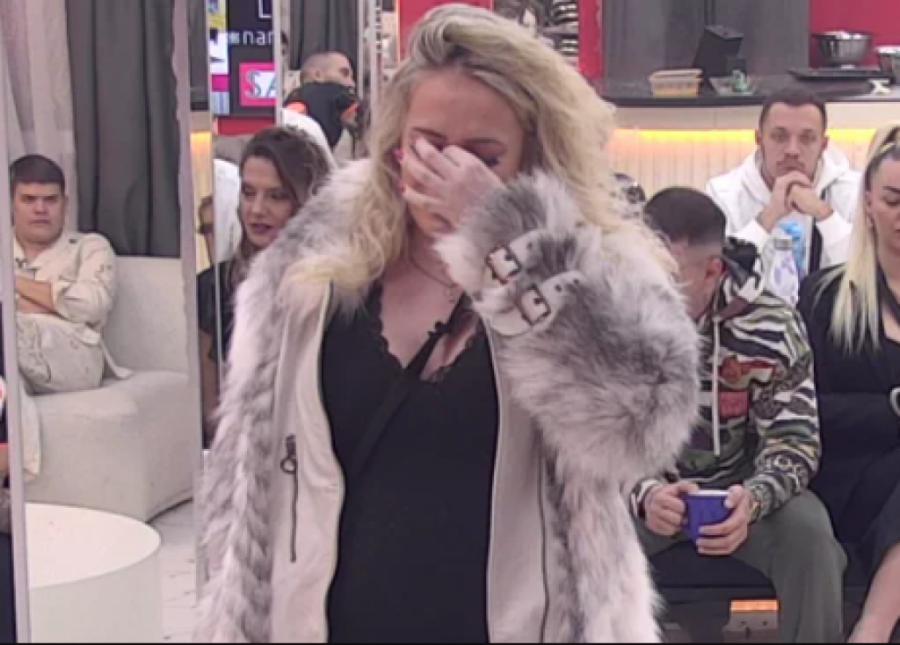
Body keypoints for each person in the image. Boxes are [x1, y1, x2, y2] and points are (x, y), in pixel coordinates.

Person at [196, 6, 700, 644]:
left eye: (482, 157)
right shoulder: (311, 270)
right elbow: (245, 490)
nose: (449, 175)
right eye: (429, 148)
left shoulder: (590, 265)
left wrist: (506, 239)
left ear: (533, 157)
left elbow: (644, 425)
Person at [638, 188, 847, 643]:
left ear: (713, 271)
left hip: (744, 487)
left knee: (810, 536)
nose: (651, 287)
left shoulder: (771, 323)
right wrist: (645, 493)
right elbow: (593, 440)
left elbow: (795, 441)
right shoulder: (616, 319)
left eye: (670, 277)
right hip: (645, 488)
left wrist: (752, 499)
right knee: (578, 528)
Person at [799, 123, 900, 644]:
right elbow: (806, 412)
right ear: (867, 203)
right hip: (848, 479)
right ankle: (873, 629)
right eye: (893, 200)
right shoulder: (825, 297)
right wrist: (892, 409)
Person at [197, 127, 332, 444]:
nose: (257, 210)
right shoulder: (213, 287)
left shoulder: (333, 289)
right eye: (248, 193)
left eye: (276, 196)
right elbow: (210, 412)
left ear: (306, 202)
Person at [707, 89, 860, 290]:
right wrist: (768, 217)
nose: (792, 151)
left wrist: (823, 214)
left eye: (807, 139)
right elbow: (720, 282)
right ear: (759, 139)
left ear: (823, 145)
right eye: (779, 137)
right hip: (752, 309)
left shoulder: (853, 191)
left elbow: (866, 276)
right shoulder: (724, 194)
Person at [11, 155, 121, 395]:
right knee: (10, 381)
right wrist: (58, 306)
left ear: (65, 203)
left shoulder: (91, 247)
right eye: (29, 199)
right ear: (11, 204)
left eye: (51, 200)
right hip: (13, 360)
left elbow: (92, 306)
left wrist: (12, 283)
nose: (40, 209)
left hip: (73, 355)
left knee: (7, 329)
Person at [283, 52, 359, 151]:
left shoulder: (290, 100)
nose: (352, 84)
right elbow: (363, 115)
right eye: (344, 73)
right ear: (318, 75)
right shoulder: (337, 93)